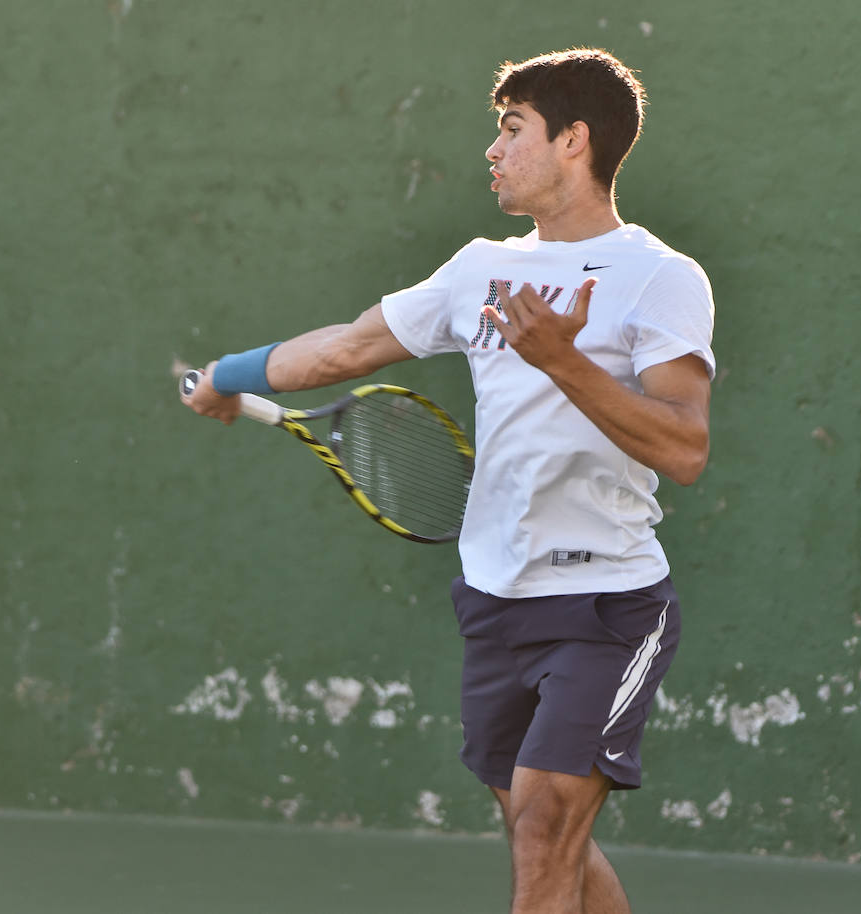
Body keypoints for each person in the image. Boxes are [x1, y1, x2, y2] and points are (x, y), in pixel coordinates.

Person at [181, 49, 714, 913]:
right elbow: (351, 346)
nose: (492, 150)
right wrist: (231, 372)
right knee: (545, 836)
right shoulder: (478, 269)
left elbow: (685, 449)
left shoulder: (662, 278)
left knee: (545, 831)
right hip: (496, 601)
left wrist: (560, 359)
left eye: (512, 129)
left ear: (574, 140)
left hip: (608, 607)